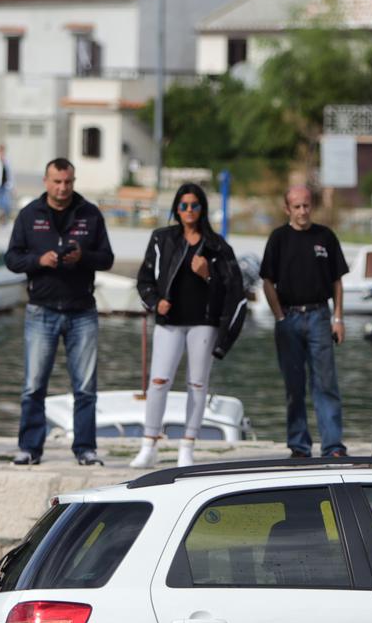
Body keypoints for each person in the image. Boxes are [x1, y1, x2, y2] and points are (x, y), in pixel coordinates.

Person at [5, 157, 114, 467]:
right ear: (46, 181)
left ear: (73, 181)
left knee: (85, 387)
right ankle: (29, 448)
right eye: (57, 182)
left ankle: (85, 449)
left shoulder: (90, 214)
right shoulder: (29, 215)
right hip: (42, 310)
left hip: (82, 311)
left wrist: (83, 256)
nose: (62, 188)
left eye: (68, 182)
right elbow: (12, 258)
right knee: (34, 384)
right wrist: (39, 260)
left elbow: (106, 258)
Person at [129, 183, 246, 469]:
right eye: (184, 206)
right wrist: (156, 303)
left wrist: (208, 275)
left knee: (197, 384)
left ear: (202, 208)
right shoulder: (161, 239)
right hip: (170, 322)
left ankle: (187, 446)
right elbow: (144, 279)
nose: (189, 211)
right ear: (176, 209)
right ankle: (149, 444)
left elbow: (233, 290)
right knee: (158, 381)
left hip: (203, 323)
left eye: (195, 205)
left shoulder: (217, 246)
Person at [259, 185, 348, 458]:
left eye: (306, 205)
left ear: (312, 206)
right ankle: (299, 445)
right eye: (296, 206)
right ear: (287, 209)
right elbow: (267, 281)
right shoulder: (278, 238)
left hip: (321, 317)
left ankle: (333, 446)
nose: (302, 211)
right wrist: (280, 317)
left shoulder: (325, 237)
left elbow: (337, 282)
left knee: (325, 383)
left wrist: (338, 318)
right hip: (289, 318)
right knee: (294, 385)